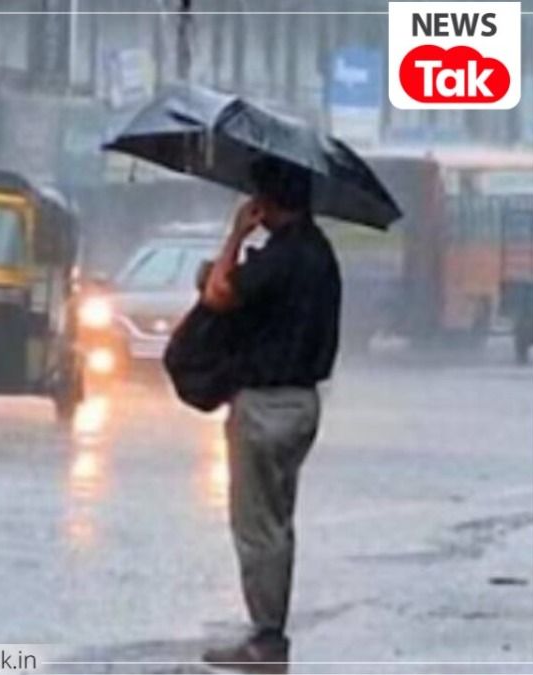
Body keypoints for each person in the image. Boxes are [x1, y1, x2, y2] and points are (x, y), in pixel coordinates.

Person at [199, 159, 342, 670]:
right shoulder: (321, 254)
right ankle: (270, 629)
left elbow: (219, 292)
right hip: (304, 403)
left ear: (268, 200)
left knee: (257, 524)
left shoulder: (282, 256)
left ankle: (266, 639)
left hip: (265, 404)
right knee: (278, 520)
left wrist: (236, 233)